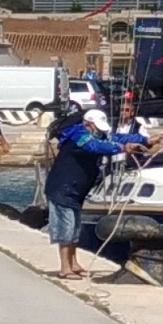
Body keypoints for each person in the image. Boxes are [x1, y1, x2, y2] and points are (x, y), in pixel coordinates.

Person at [42, 105, 123, 280]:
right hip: (62, 188)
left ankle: (74, 262)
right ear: (88, 125)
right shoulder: (79, 136)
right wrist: (121, 149)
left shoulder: (95, 135)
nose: (99, 133)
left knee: (75, 228)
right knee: (67, 227)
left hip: (75, 190)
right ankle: (65, 268)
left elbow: (115, 138)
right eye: (97, 128)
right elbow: (94, 147)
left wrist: (143, 140)